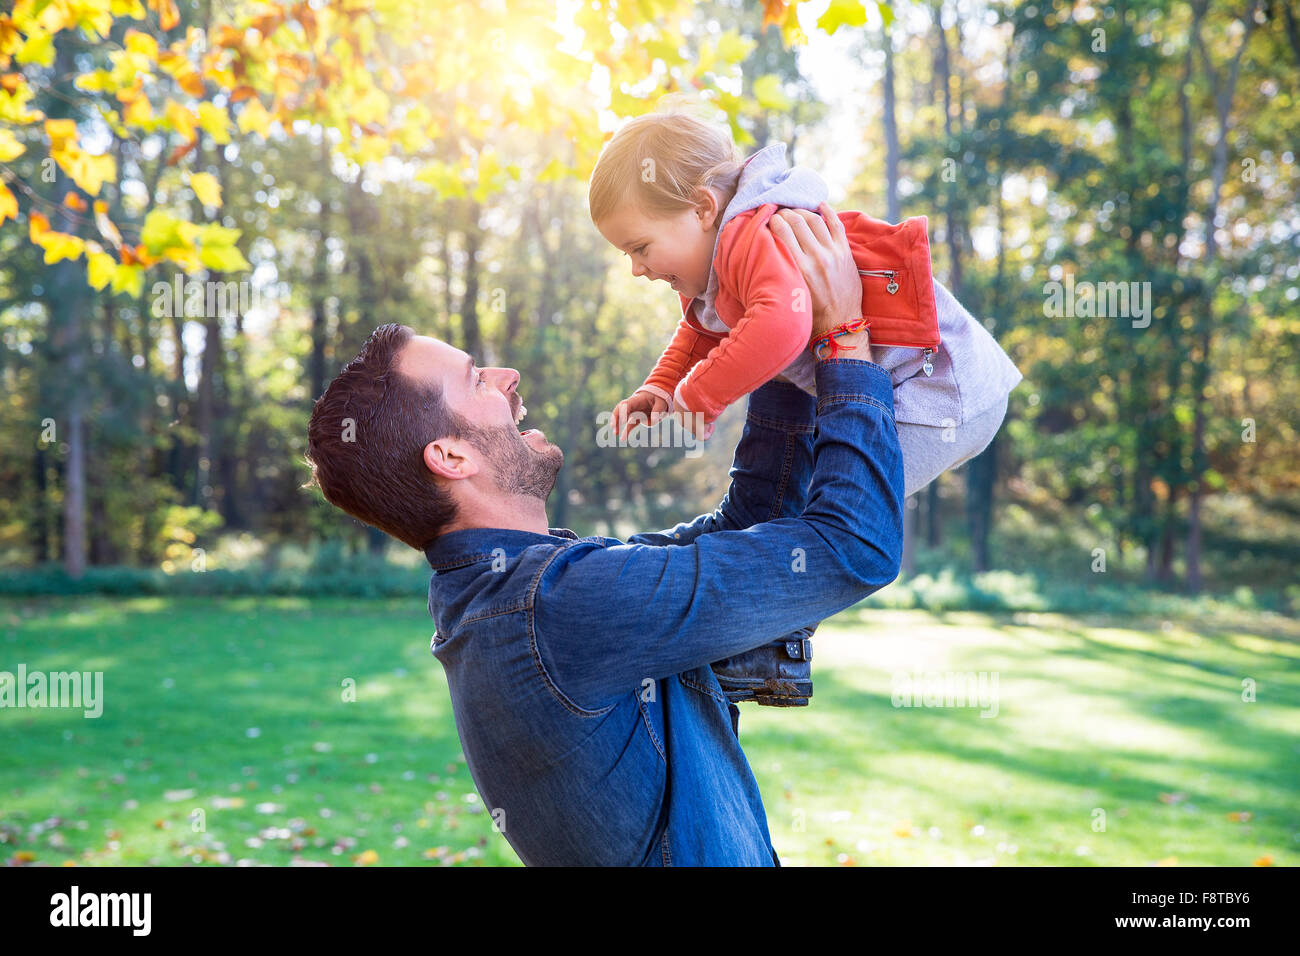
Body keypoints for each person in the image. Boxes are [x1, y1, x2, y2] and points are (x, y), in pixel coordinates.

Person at [305, 206, 903, 866]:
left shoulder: (527, 593)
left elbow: (750, 529)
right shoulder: (556, 608)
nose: (507, 378)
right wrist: (844, 338)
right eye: (477, 380)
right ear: (450, 457)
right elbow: (854, 546)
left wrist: (781, 339)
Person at [588, 106, 1023, 705]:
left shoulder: (753, 235)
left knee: (831, 526)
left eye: (639, 247)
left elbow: (782, 326)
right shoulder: (726, 255)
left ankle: (777, 646)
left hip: (947, 393)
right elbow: (701, 329)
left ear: (701, 208)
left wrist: (698, 398)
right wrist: (660, 387)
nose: (636, 269)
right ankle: (767, 639)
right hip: (906, 387)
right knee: (792, 513)